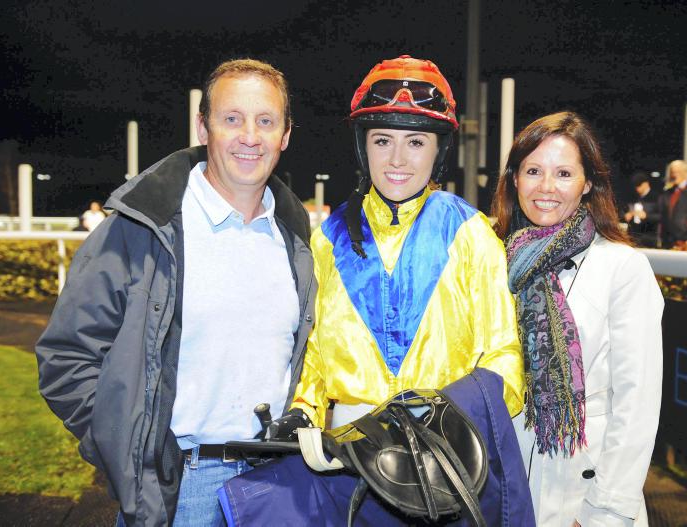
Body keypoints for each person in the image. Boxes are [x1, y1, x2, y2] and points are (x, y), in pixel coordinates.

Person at [219, 55, 534, 526]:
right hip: (347, 467)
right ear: (363, 146)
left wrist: (441, 425)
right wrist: (303, 413)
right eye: (383, 140)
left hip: (445, 466)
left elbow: (504, 358)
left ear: (438, 150)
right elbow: (313, 359)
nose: (398, 160)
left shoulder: (470, 232)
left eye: (416, 142)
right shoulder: (328, 240)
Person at [35, 59, 315, 526]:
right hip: (179, 487)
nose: (250, 136)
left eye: (266, 121)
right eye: (232, 118)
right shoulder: (142, 225)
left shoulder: (297, 238)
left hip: (276, 483)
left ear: (285, 135)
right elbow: (66, 356)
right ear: (203, 128)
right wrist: (129, 451)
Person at [491, 111, 664, 526]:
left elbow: (637, 402)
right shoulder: (492, 259)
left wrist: (603, 510)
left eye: (564, 173)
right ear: (515, 179)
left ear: (588, 184)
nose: (546, 187)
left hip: (584, 488)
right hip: (506, 481)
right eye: (533, 170)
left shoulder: (621, 267)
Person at [623, 172, 659, 247]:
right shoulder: (633, 197)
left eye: (639, 185)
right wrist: (627, 215)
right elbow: (624, 210)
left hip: (650, 237)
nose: (637, 188)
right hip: (635, 236)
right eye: (635, 186)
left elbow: (661, 216)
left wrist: (647, 216)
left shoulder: (656, 197)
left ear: (646, 184)